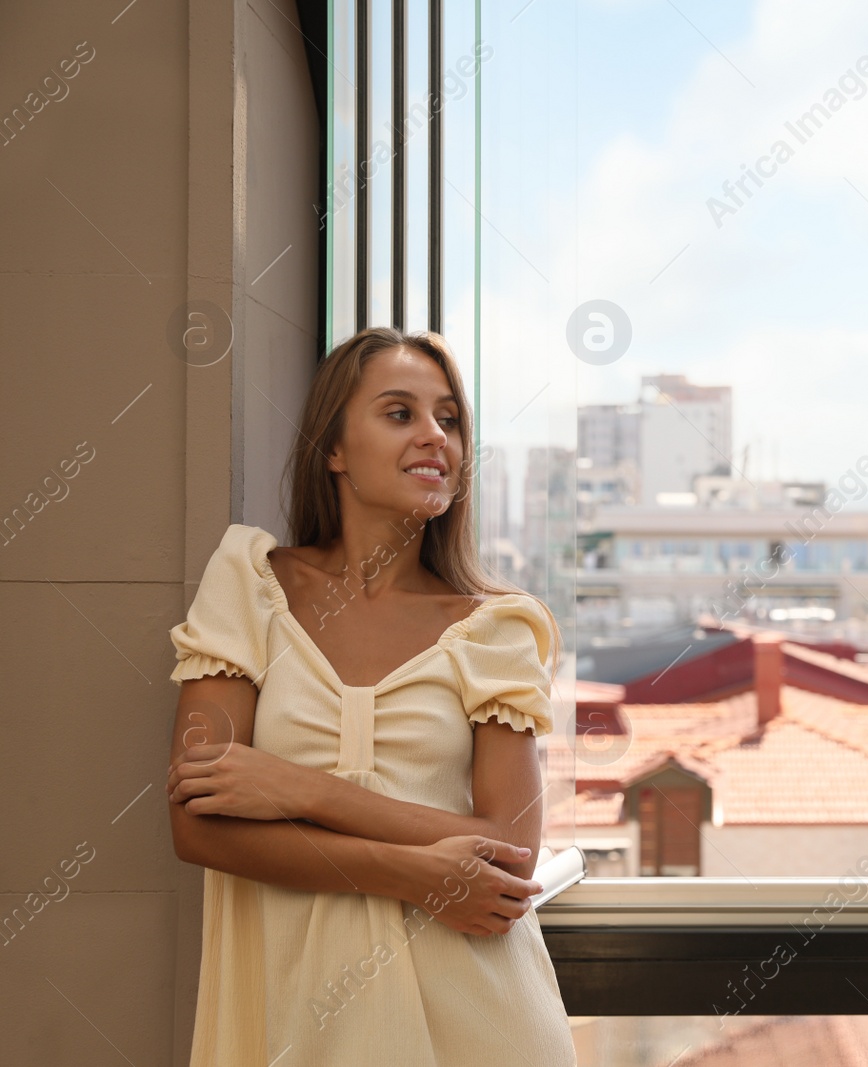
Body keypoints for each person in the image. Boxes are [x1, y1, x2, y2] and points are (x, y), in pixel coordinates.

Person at [164, 327, 577, 1066]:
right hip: (295, 1021)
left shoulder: (495, 628)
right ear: (334, 448)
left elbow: (510, 857)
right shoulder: (250, 585)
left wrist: (295, 787)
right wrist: (417, 873)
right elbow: (199, 828)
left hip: (483, 1026)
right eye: (400, 413)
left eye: (449, 419)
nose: (434, 437)